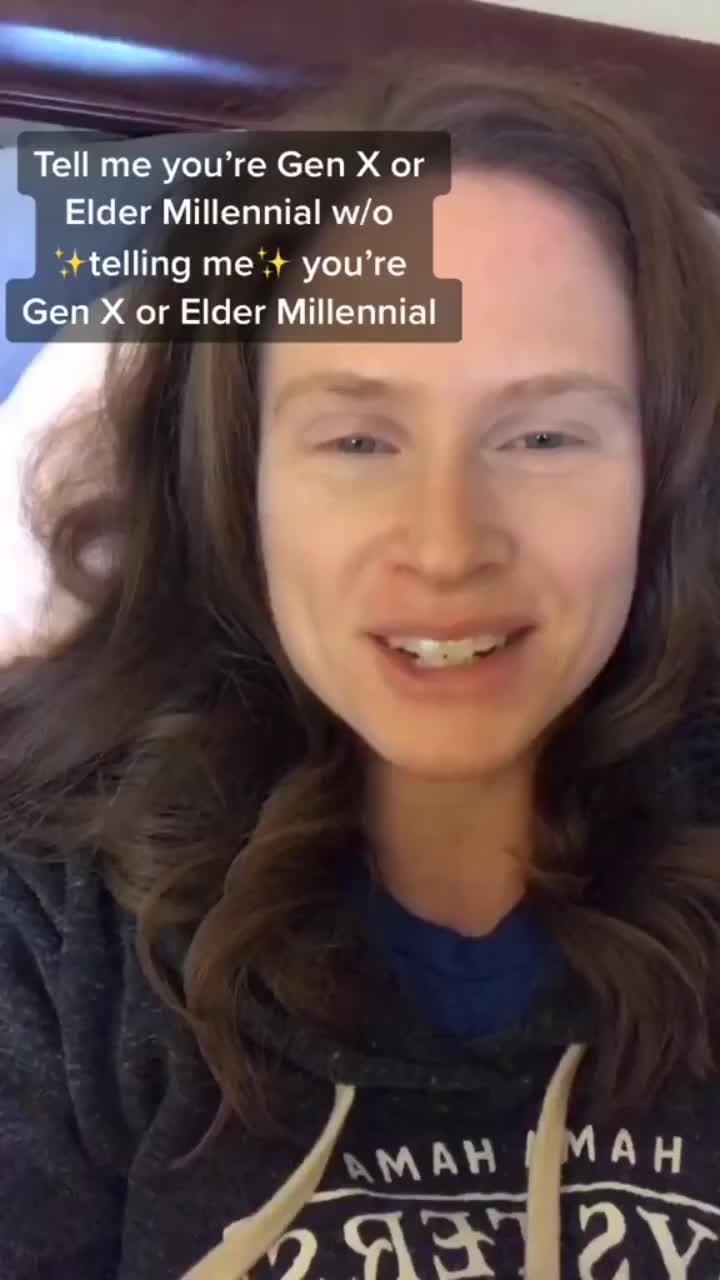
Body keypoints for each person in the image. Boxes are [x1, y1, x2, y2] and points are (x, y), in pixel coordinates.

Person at [2, 54, 720, 1280]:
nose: (447, 544)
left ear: (664, 477)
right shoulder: (53, 933)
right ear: (240, 482)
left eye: (544, 435)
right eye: (357, 438)